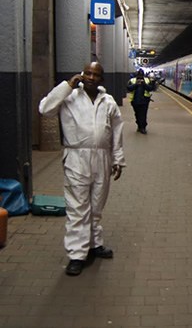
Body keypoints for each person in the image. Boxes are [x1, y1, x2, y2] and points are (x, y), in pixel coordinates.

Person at [38, 62, 126, 276]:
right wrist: (67, 85)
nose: (90, 77)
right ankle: (77, 255)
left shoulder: (108, 101)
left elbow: (117, 130)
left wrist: (118, 159)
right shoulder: (68, 96)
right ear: (81, 74)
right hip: (76, 157)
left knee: (96, 205)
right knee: (78, 208)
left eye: (96, 74)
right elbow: (45, 109)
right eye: (87, 72)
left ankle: (95, 244)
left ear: (101, 79)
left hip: (102, 157)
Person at [127, 69, 153, 134]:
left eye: (141, 76)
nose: (140, 78)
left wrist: (144, 84)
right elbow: (128, 88)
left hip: (145, 101)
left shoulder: (147, 80)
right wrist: (136, 84)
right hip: (134, 101)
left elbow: (150, 88)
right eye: (139, 76)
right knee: (137, 114)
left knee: (143, 115)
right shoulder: (132, 80)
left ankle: (143, 128)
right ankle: (139, 125)